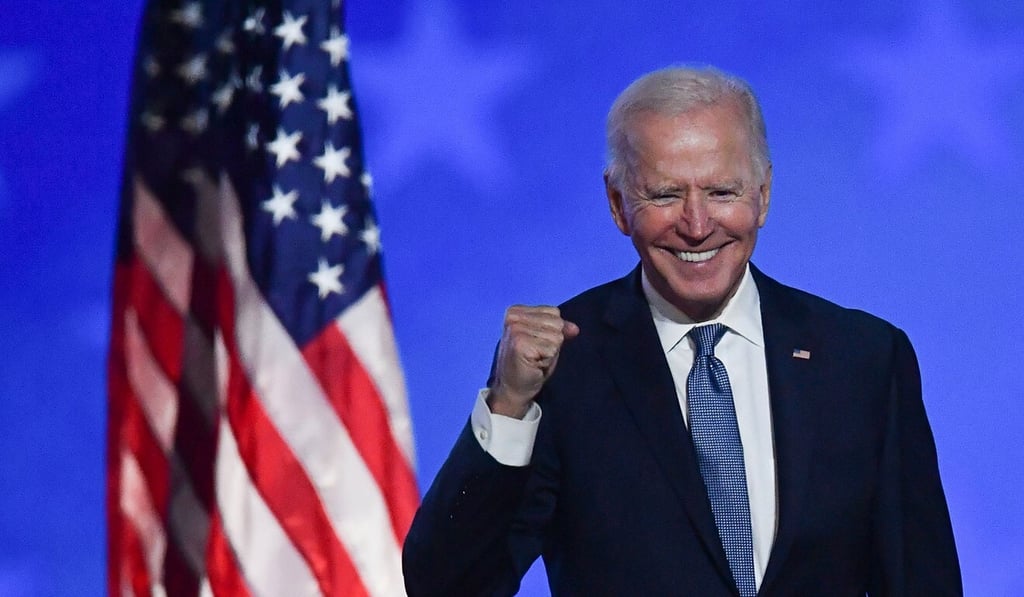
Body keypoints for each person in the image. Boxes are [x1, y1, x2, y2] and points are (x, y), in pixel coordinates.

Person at [402, 65, 961, 596]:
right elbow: (447, 586)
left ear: (763, 195)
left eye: (722, 192)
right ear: (618, 204)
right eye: (665, 195)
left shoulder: (863, 359)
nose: (696, 226)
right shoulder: (563, 366)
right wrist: (508, 408)